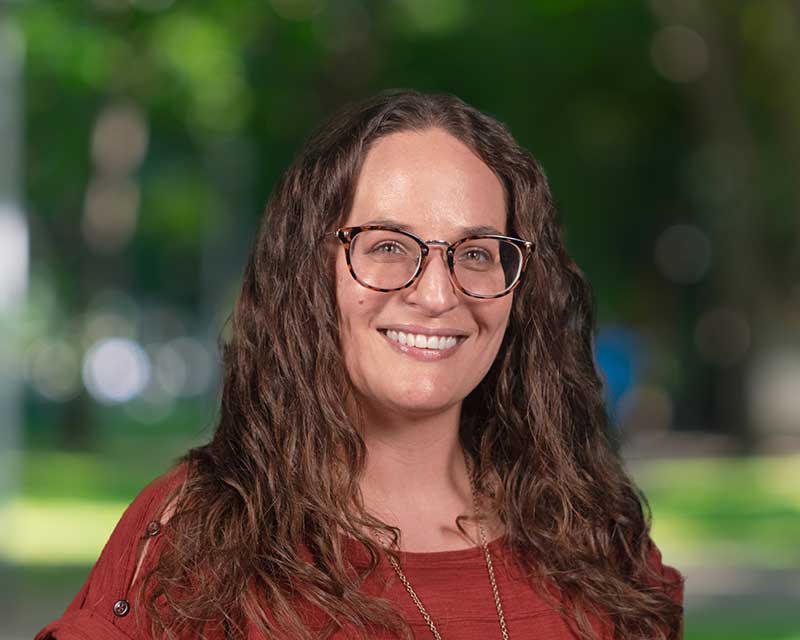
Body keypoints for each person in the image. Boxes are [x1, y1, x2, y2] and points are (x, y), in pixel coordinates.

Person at [37, 88, 684, 640]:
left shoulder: (596, 537)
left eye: (478, 253)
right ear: (308, 270)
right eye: (387, 245)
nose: (436, 294)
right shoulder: (196, 539)